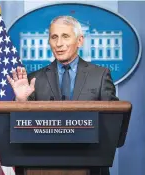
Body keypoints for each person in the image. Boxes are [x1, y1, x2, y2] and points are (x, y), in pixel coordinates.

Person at [7, 16, 118, 175]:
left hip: (89, 163)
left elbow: (113, 122)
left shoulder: (100, 75)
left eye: (65, 36)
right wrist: (20, 100)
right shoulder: (34, 80)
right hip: (42, 166)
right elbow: (19, 129)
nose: (59, 44)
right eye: (54, 37)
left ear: (80, 41)